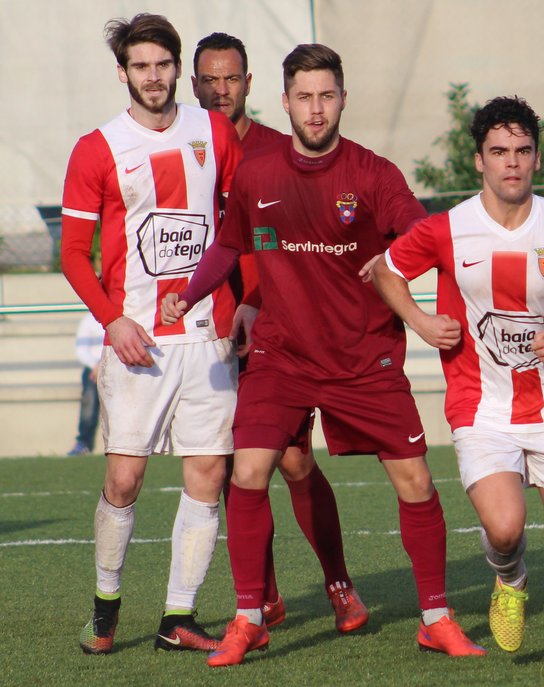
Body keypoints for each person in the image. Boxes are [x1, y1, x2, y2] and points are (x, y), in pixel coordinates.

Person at [162, 43, 485, 666]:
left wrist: (394, 265)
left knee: (416, 480)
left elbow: (422, 235)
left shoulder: (373, 174)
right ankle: (249, 618)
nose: (316, 109)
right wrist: (189, 293)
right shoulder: (257, 174)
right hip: (282, 356)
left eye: (327, 96)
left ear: (343, 100)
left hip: (364, 356)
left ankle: (436, 618)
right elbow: (228, 247)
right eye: (305, 97)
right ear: (284, 102)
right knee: (248, 472)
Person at [373, 96, 544, 669]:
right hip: (480, 407)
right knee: (504, 530)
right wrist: (421, 321)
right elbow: (386, 269)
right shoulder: (447, 228)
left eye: (523, 151)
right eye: (499, 152)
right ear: (479, 160)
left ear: (537, 158)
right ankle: (510, 580)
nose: (512, 162)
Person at [60, 13, 241, 654]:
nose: (154, 76)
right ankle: (105, 610)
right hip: (137, 341)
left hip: (208, 336)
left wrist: (246, 304)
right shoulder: (96, 147)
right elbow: (73, 253)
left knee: (207, 474)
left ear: (177, 68)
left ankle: (177, 617)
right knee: (124, 481)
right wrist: (112, 321)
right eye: (141, 66)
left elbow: (241, 226)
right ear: (123, 73)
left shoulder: (214, 131)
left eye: (163, 64)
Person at [192, 31, 364, 635]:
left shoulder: (275, 149)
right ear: (193, 85)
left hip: (275, 328)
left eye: (231, 79)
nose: (221, 90)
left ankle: (339, 582)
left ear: (250, 84)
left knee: (292, 460)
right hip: (204, 330)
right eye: (210, 80)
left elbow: (293, 242)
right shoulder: (183, 147)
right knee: (227, 463)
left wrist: (256, 299)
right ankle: (261, 596)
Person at [68, 312, 105, 456]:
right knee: (89, 398)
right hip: (94, 370)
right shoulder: (89, 319)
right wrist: (97, 365)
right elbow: (81, 351)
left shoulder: (125, 314)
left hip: (120, 366)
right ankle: (84, 443)